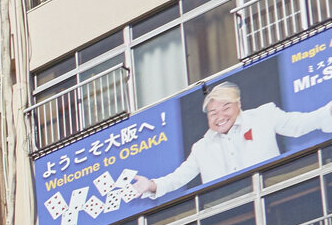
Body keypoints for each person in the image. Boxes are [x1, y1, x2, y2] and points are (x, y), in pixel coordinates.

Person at [130, 80, 332, 201]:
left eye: (226, 108)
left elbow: (297, 125)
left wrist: (326, 113)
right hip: (230, 209)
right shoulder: (201, 147)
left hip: (275, 193)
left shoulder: (263, 115)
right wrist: (152, 185)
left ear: (239, 105)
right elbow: (179, 177)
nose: (220, 117)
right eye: (213, 113)